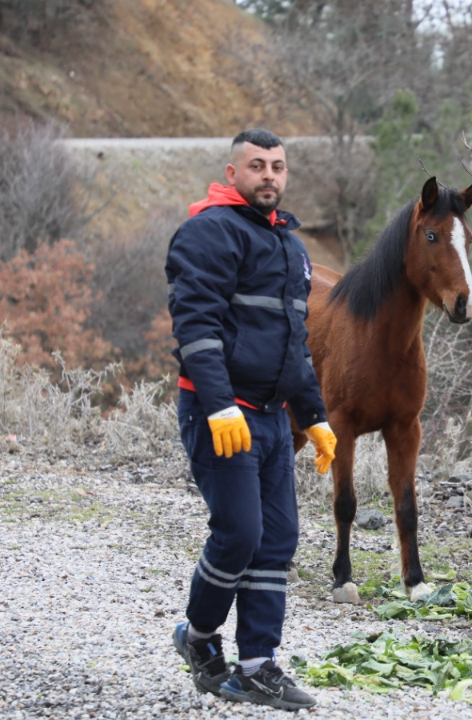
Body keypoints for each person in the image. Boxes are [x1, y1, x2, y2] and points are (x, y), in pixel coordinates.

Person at [165, 128, 336, 711]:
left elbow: (295, 343)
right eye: (258, 165)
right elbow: (196, 329)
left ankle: (256, 665)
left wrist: (314, 417)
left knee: (278, 538)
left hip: (270, 417)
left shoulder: (289, 243)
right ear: (233, 173)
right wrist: (216, 405)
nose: (270, 176)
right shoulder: (207, 232)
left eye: (279, 167)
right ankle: (198, 637)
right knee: (240, 532)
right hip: (220, 413)